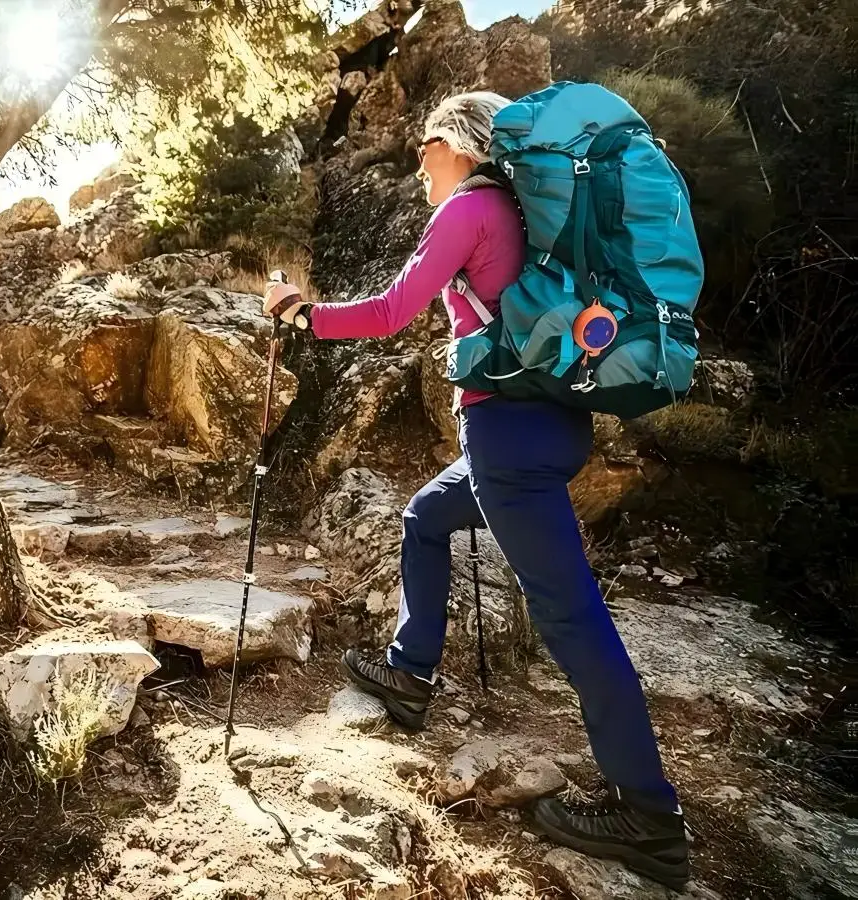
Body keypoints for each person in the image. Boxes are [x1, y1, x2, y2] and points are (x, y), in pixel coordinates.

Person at [263, 92, 690, 891]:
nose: (418, 161)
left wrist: (303, 314)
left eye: (426, 144)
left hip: (508, 441)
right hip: (549, 427)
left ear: (456, 145)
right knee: (425, 516)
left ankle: (649, 816)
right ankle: (410, 672)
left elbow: (392, 312)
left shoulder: (471, 206)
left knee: (570, 618)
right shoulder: (527, 213)